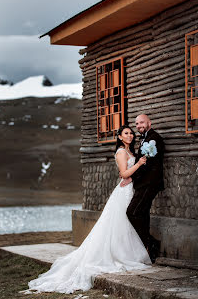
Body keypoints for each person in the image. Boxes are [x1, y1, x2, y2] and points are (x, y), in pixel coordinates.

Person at [24, 125, 151, 294]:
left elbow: (130, 174)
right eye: (126, 133)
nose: (130, 135)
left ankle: (127, 254)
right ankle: (121, 255)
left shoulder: (129, 152)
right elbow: (123, 174)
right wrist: (140, 163)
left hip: (130, 189)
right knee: (120, 223)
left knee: (125, 224)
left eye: (131, 133)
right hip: (123, 192)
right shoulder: (121, 152)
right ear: (120, 137)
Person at [126, 114, 164, 263]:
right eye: (136, 123)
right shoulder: (145, 138)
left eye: (142, 122)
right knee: (143, 214)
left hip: (149, 183)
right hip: (143, 183)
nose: (139, 125)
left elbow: (147, 165)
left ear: (149, 122)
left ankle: (151, 242)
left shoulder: (154, 139)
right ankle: (148, 250)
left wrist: (132, 177)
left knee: (132, 212)